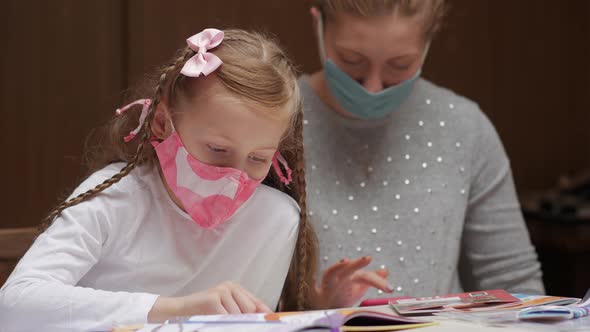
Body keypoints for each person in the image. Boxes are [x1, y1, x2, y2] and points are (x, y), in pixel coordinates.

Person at [0, 28, 318, 331]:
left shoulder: (276, 219)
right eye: (218, 150)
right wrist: (177, 310)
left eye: (258, 158)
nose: (235, 178)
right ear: (163, 123)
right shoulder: (114, 201)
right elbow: (13, 305)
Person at [299, 0, 545, 306]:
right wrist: (315, 310)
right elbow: (244, 294)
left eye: (399, 65)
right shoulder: (272, 126)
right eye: (352, 62)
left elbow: (515, 283)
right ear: (318, 26)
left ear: (427, 44)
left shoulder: (463, 127)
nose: (373, 89)